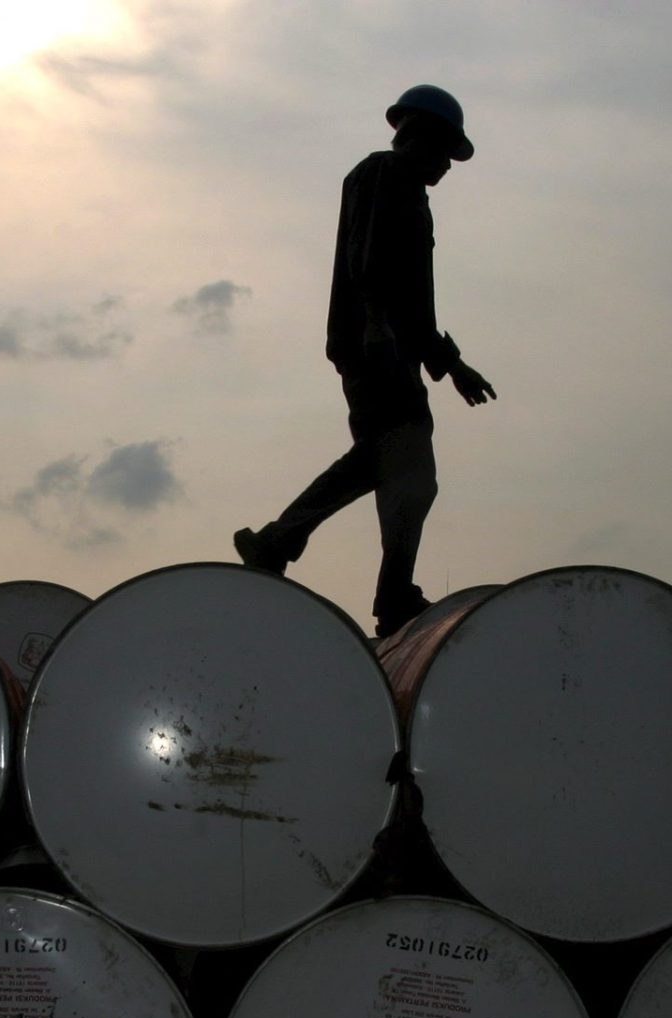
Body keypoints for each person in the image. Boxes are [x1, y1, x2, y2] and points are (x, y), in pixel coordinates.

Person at [234, 84, 496, 638]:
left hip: (383, 346)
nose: (448, 166)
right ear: (418, 136)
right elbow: (375, 267)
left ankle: (280, 542)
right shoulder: (388, 175)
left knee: (379, 460)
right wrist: (396, 342)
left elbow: (407, 292)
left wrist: (447, 361)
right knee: (410, 469)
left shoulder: (392, 183)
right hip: (380, 348)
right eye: (445, 151)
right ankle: (392, 594)